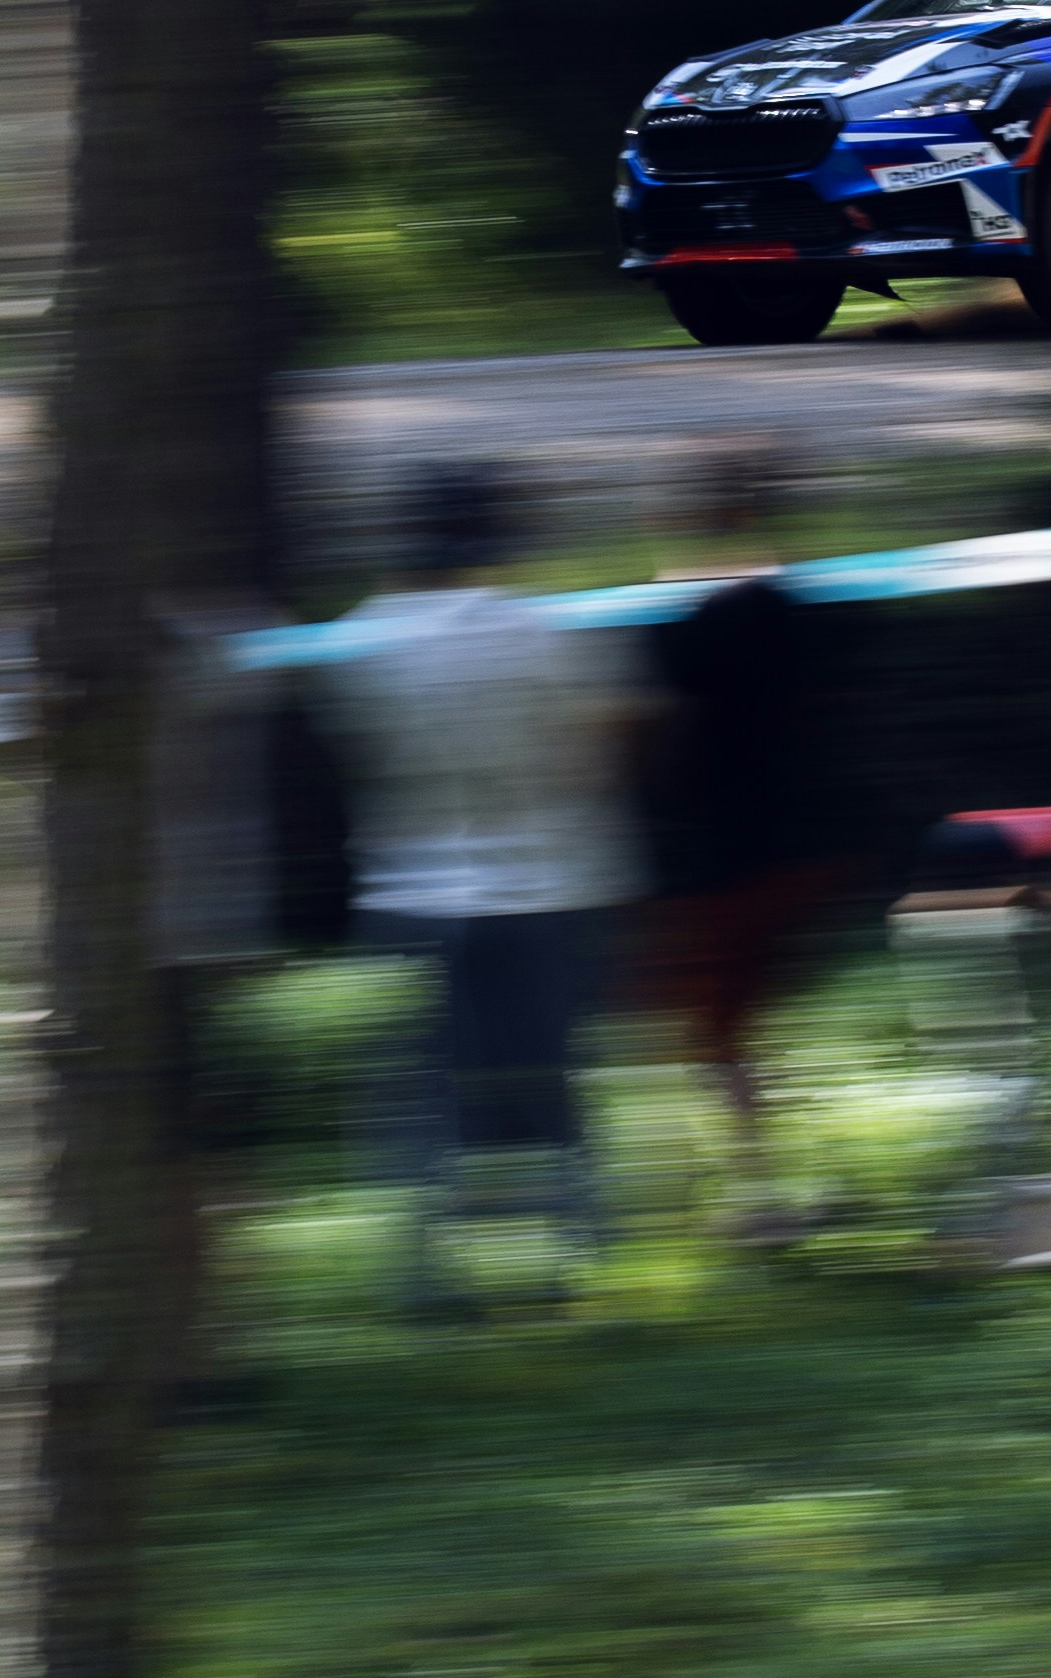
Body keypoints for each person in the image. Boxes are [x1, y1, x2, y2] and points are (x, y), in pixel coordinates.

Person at [310, 461, 647, 1305]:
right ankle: (566, 1263)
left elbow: (350, 757)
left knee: (421, 1090)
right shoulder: (554, 630)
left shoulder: (355, 639)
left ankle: (424, 1276)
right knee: (552, 1079)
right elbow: (596, 759)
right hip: (551, 885)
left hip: (408, 891)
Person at [633, 442, 864, 1241]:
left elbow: (664, 736)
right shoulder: (796, 611)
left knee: (710, 1035)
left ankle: (763, 1192)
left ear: (699, 520)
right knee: (743, 1027)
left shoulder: (688, 629)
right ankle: (787, 1175)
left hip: (725, 858)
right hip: (805, 845)